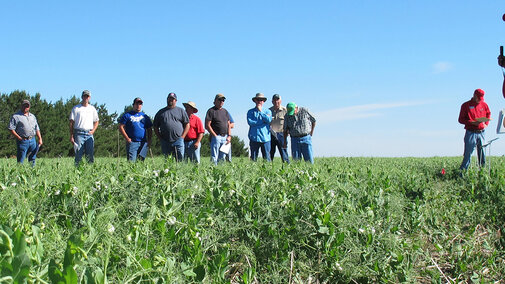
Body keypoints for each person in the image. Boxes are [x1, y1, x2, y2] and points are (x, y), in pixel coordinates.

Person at [458, 89, 491, 170]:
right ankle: (462, 172)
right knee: (468, 153)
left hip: (482, 132)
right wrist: (472, 122)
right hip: (470, 133)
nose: (480, 100)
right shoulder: (465, 105)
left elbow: (488, 114)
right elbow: (460, 120)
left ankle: (482, 172)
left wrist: (486, 124)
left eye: (481, 98)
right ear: (474, 95)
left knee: (482, 153)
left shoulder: (484, 105)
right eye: (478, 98)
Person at [153, 92, 189, 161]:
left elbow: (187, 124)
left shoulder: (181, 111)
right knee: (167, 162)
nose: (171, 100)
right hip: (165, 141)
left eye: (172, 99)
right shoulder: (160, 112)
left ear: (176, 101)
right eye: (169, 98)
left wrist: (182, 137)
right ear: (167, 99)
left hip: (178, 140)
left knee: (180, 160)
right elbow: (155, 127)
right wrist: (160, 138)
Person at [8, 100, 43, 166]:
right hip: (23, 141)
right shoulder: (16, 116)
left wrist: (40, 138)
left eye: (27, 106)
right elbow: (11, 128)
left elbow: (37, 128)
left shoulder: (32, 116)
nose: (26, 107)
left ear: (29, 107)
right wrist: (18, 137)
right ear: (21, 105)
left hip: (32, 140)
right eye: (24, 105)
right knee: (21, 159)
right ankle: (19, 174)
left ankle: (32, 173)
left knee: (32, 158)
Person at [69, 90, 99, 166]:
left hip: (89, 133)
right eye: (84, 96)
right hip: (79, 133)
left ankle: (90, 172)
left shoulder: (92, 109)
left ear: (89, 98)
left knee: (90, 156)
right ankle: (77, 172)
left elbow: (96, 121)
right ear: (82, 97)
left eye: (87, 96)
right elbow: (71, 122)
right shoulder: (76, 108)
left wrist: (93, 131)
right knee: (78, 155)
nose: (86, 98)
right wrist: (71, 135)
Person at [118, 97, 153, 162]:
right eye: (137, 104)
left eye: (140, 104)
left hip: (143, 143)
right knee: (131, 162)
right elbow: (121, 126)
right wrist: (127, 138)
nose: (138, 106)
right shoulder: (127, 115)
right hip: (132, 142)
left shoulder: (145, 116)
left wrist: (149, 140)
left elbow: (149, 128)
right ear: (133, 105)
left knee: (141, 162)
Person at [205, 94, 231, 165]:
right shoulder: (211, 111)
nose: (221, 101)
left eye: (223, 100)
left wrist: (229, 136)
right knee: (214, 157)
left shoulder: (225, 111)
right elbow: (207, 125)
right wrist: (215, 136)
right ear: (215, 101)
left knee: (222, 156)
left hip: (225, 137)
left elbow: (229, 124)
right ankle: (213, 170)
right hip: (216, 137)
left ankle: (220, 170)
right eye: (220, 100)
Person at [247, 93, 272, 161]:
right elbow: (250, 122)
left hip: (265, 138)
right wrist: (262, 122)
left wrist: (260, 112)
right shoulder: (250, 112)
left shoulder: (268, 111)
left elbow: (268, 120)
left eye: (261, 100)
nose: (259, 101)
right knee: (253, 159)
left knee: (267, 158)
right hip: (254, 138)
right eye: (258, 99)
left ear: (263, 101)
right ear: (255, 100)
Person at [269, 94, 290, 163]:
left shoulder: (285, 110)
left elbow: (289, 122)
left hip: (282, 134)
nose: (276, 102)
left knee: (283, 153)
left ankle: (287, 167)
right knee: (270, 153)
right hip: (271, 135)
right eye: (274, 100)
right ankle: (268, 168)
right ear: (272, 101)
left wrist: (288, 132)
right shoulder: (269, 111)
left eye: (277, 100)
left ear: (280, 101)